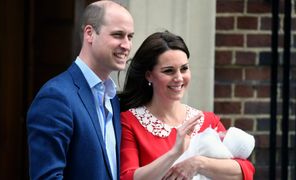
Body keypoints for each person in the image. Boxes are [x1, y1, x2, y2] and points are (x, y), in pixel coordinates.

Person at [118, 31, 255, 180]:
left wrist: (198, 163)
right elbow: (127, 177)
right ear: (149, 75)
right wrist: (175, 153)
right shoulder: (129, 121)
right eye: (169, 71)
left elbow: (244, 170)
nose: (178, 78)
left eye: (184, 69)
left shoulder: (208, 121)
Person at [26, 1, 134, 179]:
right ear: (90, 34)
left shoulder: (113, 98)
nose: (126, 45)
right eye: (118, 35)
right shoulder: (56, 97)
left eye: (130, 37)